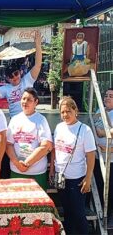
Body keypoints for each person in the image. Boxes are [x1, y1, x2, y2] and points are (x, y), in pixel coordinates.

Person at [50, 96, 96, 234]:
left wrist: (88, 179)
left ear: (75, 110)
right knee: (67, 213)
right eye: (62, 112)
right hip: (61, 178)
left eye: (68, 111)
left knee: (78, 213)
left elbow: (91, 155)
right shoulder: (58, 127)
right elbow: (54, 150)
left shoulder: (85, 130)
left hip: (77, 179)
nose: (65, 115)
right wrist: (52, 169)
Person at [6, 88, 52, 190]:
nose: (25, 102)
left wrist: (27, 163)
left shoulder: (41, 120)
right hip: (16, 171)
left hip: (36, 172)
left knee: (38, 204)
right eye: (23, 99)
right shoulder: (14, 119)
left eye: (29, 100)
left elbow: (46, 146)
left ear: (36, 102)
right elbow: (8, 144)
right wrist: (17, 164)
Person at [93, 87, 113, 216]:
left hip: (110, 158)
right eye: (106, 95)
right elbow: (96, 129)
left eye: (111, 96)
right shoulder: (99, 110)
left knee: (110, 189)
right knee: (99, 186)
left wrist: (109, 148)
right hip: (98, 156)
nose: (107, 98)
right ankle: (100, 213)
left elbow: (101, 132)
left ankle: (108, 215)